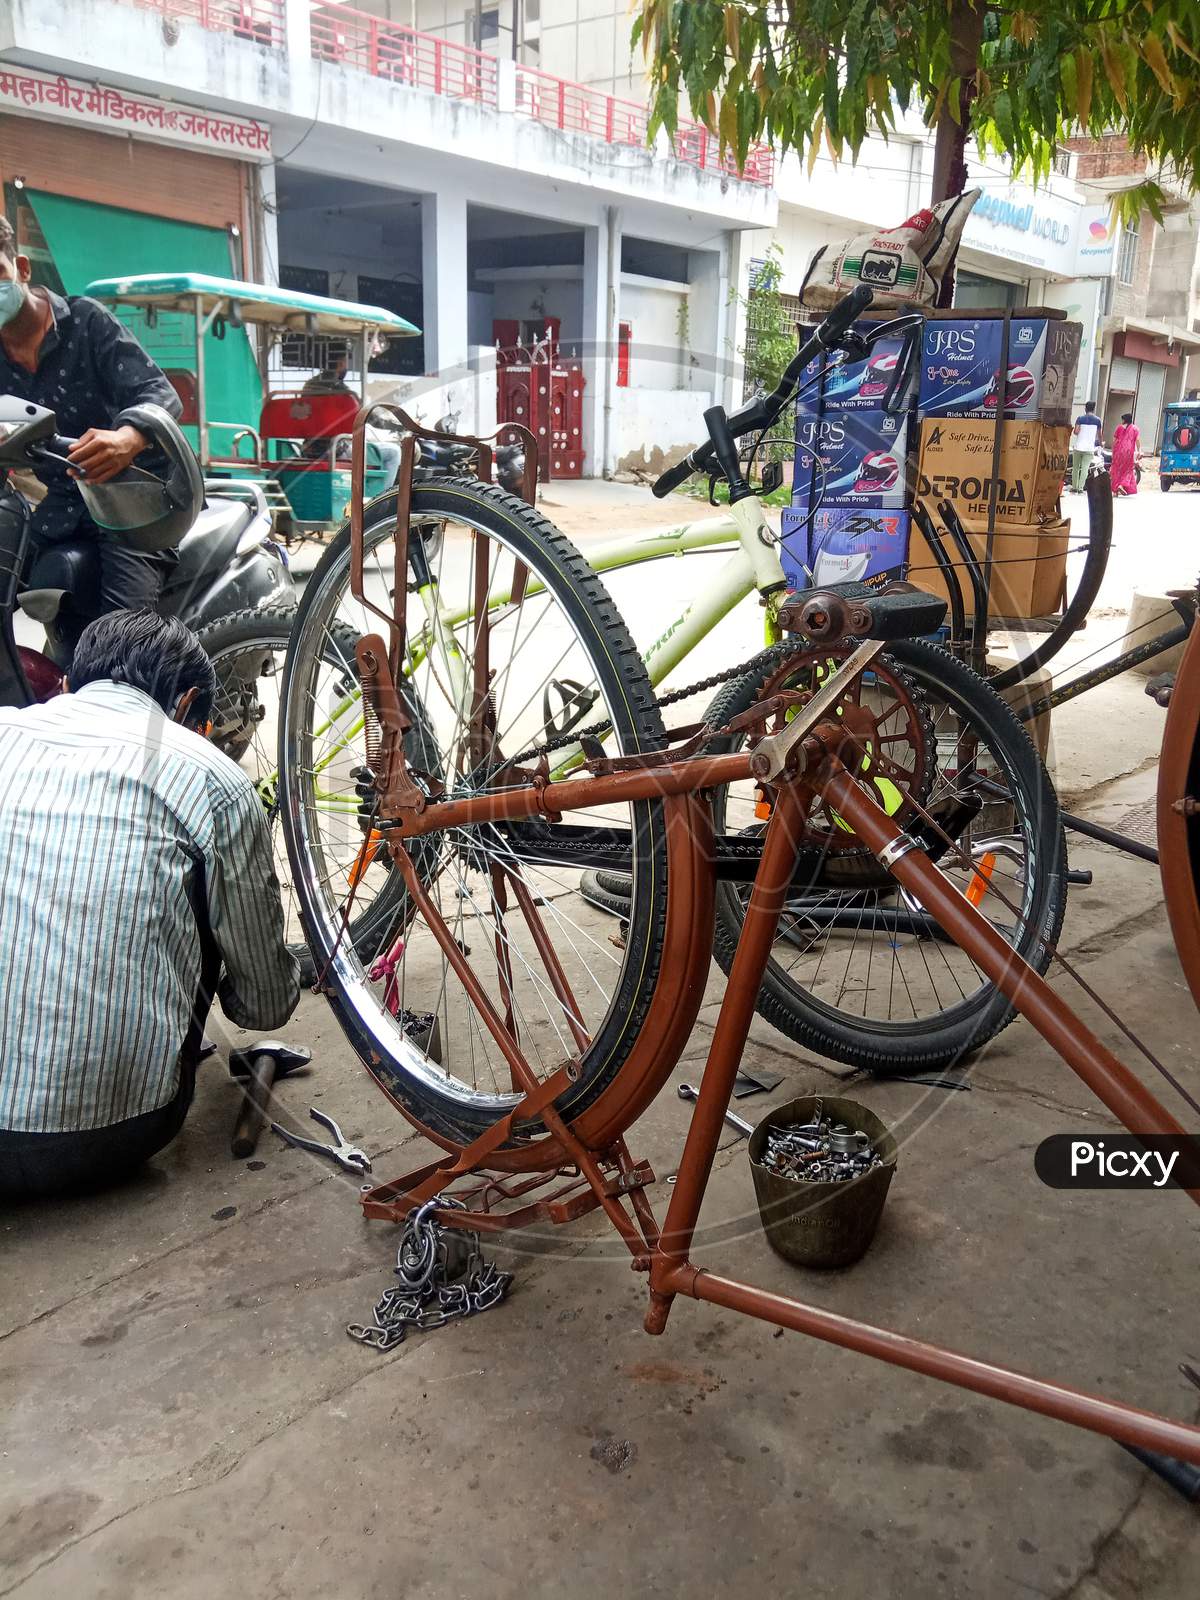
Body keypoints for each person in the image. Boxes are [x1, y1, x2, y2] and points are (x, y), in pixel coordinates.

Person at [0, 610, 300, 1199]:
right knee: (206, 889)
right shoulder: (209, 774)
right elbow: (264, 1007)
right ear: (188, 707)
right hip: (104, 1137)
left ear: (65, 684)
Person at [0, 216, 185, 664]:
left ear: (21, 268)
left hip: (127, 504)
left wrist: (129, 436)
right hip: (56, 507)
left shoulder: (85, 321)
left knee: (120, 649)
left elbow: (160, 394)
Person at [1070, 400, 1103, 492]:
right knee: (1085, 468)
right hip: (1089, 448)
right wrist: (1101, 444)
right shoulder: (1098, 420)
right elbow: (1100, 435)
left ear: (1085, 408)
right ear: (1093, 409)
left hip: (1078, 447)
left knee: (1076, 467)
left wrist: (1081, 429)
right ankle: (1080, 488)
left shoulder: (1080, 418)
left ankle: (1074, 487)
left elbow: (1076, 432)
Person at [1111, 411, 1141, 496]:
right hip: (1128, 452)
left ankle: (1115, 491)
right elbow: (1137, 440)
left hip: (1118, 451)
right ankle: (1121, 485)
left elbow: (1114, 440)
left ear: (1124, 420)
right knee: (1127, 470)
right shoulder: (1135, 429)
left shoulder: (1119, 427)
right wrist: (1139, 450)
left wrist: (1113, 451)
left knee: (1116, 470)